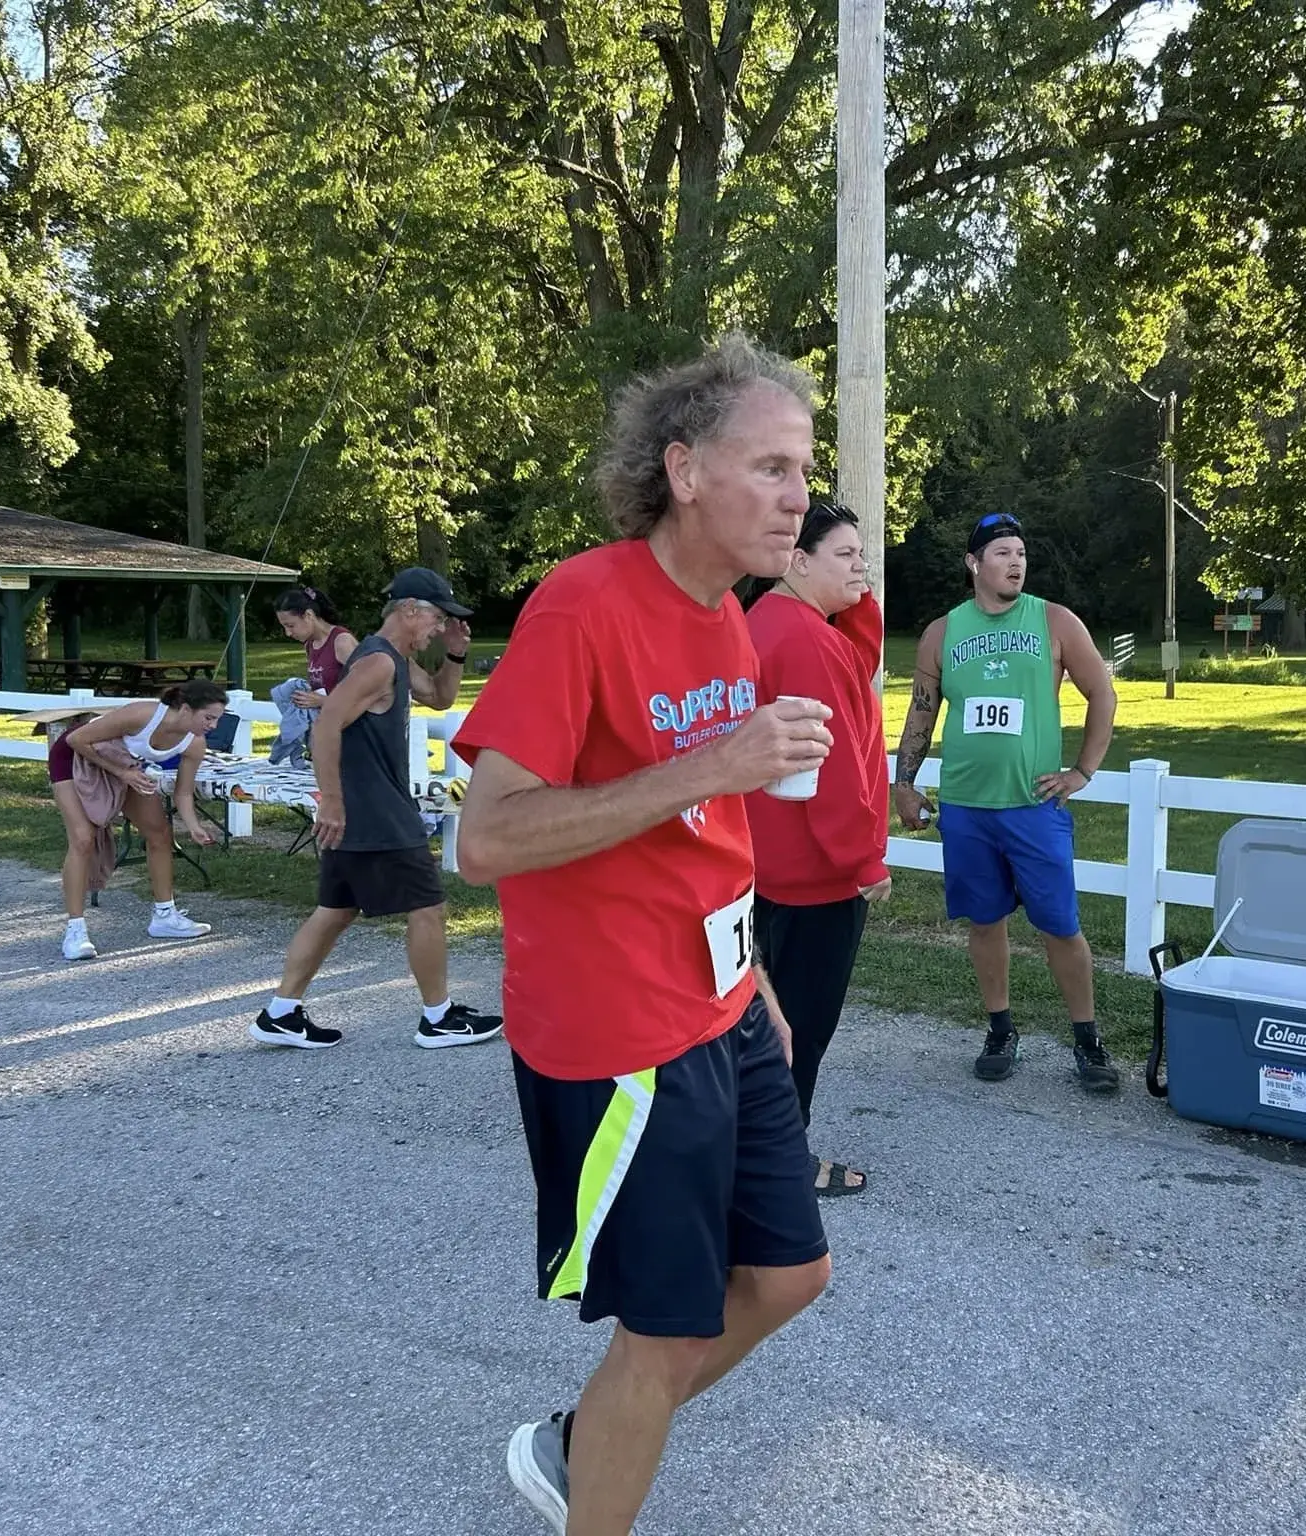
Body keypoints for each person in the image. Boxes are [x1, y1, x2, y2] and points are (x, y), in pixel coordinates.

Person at [452, 334, 835, 1536]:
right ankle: (605, 1469)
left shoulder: (726, 617)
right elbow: (489, 840)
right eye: (769, 466)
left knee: (787, 1276)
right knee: (661, 1332)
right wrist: (713, 760)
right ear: (683, 470)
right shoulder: (584, 603)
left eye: (802, 469)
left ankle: (589, 1440)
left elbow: (704, 829)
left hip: (720, 1005)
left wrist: (753, 962)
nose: (797, 496)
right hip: (619, 1034)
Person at [891, 511, 1121, 1092]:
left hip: (1032, 806)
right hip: (967, 807)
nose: (1015, 561)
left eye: (1020, 552)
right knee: (984, 921)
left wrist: (1083, 771)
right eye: (1001, 553)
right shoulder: (944, 632)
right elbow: (922, 710)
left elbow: (1102, 693)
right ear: (974, 564)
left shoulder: (1054, 621)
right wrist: (904, 780)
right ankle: (1000, 1029)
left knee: (1060, 926)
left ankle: (1088, 1040)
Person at [248, 568, 501, 1051]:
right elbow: (325, 726)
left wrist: (456, 651)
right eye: (437, 618)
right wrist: (334, 801)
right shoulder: (377, 663)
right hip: (373, 808)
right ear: (409, 609)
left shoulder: (397, 659)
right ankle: (438, 1017)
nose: (438, 627)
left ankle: (280, 1013)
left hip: (367, 806)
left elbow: (442, 696)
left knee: (335, 910)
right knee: (428, 905)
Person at [745, 500, 889, 1198]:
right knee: (798, 1027)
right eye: (846, 555)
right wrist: (863, 861)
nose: (862, 566)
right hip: (814, 876)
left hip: (770, 867)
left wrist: (857, 602)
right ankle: (777, 1164)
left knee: (771, 1017)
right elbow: (826, 768)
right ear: (798, 560)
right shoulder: (803, 641)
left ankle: (755, 1148)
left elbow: (856, 661)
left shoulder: (779, 625)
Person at [52, 680, 228, 959]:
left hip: (124, 766)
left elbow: (183, 793)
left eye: (217, 720)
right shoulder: (142, 714)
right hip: (75, 756)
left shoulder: (195, 744)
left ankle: (164, 917)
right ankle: (75, 931)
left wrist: (194, 826)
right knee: (83, 839)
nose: (213, 726)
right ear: (185, 709)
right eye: (208, 718)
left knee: (159, 833)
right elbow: (76, 740)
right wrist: (122, 773)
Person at [275, 585, 357, 708]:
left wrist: (324, 701)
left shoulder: (342, 641)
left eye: (291, 625)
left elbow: (368, 689)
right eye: (284, 627)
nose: (288, 633)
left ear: (308, 615)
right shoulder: (310, 645)